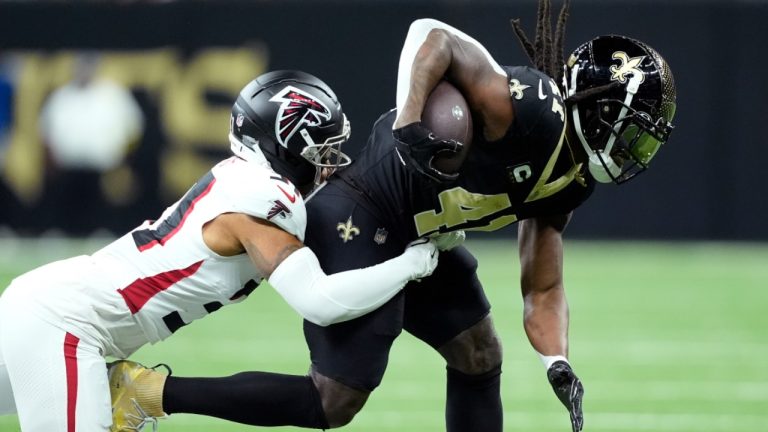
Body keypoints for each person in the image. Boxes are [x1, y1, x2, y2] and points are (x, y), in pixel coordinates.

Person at [109, 1, 677, 431]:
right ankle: (148, 394)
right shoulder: (526, 109)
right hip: (363, 207)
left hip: (422, 235)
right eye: (632, 134)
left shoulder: (572, 177)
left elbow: (544, 288)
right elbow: (430, 34)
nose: (635, 153)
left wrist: (557, 359)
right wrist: (409, 121)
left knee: (480, 353)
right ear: (597, 110)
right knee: (333, 400)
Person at [0, 70, 444, 432]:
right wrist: (410, 263)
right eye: (322, 151)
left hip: (52, 306)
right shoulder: (264, 199)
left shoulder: (243, 178)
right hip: (65, 325)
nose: (329, 163)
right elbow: (320, 301)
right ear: (285, 147)